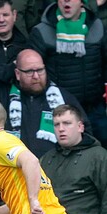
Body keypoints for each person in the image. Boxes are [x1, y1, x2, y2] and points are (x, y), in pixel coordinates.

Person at [0, 49, 88, 158]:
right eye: (29, 71)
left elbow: (84, 130)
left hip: (56, 168)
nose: (36, 76)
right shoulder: (5, 94)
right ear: (17, 74)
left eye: (40, 70)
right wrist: (12, 66)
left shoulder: (62, 97)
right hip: (14, 166)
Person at [29, 0, 107, 147]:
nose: (66, 1)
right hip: (59, 110)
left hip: (94, 108)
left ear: (82, 2)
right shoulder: (42, 31)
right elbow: (33, 71)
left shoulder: (96, 27)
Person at [40, 104, 106, 214]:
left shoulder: (99, 157)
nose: (61, 129)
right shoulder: (46, 160)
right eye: (57, 124)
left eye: (67, 123)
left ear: (80, 127)